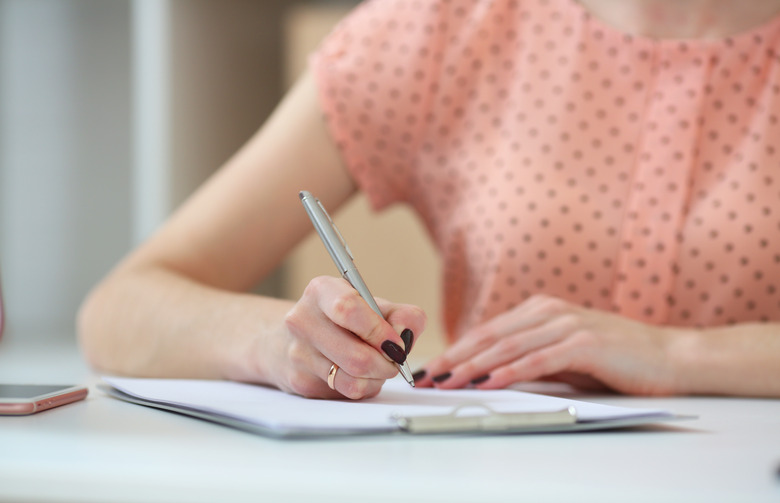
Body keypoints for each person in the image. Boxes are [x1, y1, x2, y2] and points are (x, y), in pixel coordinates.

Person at [78, 0, 780, 399]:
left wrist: (681, 354)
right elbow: (120, 309)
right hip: (493, 496)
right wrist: (284, 345)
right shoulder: (443, 29)